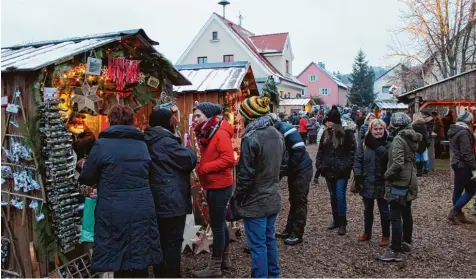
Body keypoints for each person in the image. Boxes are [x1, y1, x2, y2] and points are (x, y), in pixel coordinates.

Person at [78, 105, 161, 278]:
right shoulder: (142, 144)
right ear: (132, 121)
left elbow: (87, 177)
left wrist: (84, 165)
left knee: (117, 255)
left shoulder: (102, 145)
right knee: (140, 253)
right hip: (141, 206)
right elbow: (150, 173)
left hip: (113, 208)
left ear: (110, 120)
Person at [144, 108, 197, 278]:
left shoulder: (147, 139)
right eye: (172, 119)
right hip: (171, 200)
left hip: (154, 198)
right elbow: (188, 159)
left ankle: (160, 273)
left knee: (158, 241)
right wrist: (189, 149)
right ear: (166, 122)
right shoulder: (165, 142)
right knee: (173, 241)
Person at [236, 96, 285, 278]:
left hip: (256, 200)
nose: (239, 117)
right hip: (272, 196)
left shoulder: (250, 137)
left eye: (241, 114)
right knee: (269, 239)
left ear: (249, 115)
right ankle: (274, 275)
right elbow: (284, 163)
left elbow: (246, 175)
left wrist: (238, 197)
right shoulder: (276, 133)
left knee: (257, 245)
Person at [191, 102, 235, 278]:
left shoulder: (220, 133)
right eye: (194, 116)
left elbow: (228, 159)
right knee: (220, 224)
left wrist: (204, 168)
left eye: (198, 116)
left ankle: (215, 267)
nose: (195, 119)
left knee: (217, 227)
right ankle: (224, 259)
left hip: (220, 185)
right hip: (214, 184)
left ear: (209, 116)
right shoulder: (209, 132)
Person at [377, 112, 421, 262]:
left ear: (396, 126)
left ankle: (395, 250)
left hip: (398, 181)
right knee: (406, 212)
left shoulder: (399, 139)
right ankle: (406, 242)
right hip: (409, 179)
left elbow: (397, 163)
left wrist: (386, 175)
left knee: (395, 215)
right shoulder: (411, 137)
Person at [270, 113, 313, 245]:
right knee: (293, 200)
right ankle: (289, 230)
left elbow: (299, 150)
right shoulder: (277, 131)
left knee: (299, 200)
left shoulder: (285, 129)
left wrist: (285, 169)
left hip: (302, 169)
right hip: (295, 170)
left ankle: (297, 233)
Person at [315, 106, 356, 235]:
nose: (327, 123)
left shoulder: (346, 133)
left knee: (340, 195)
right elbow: (321, 150)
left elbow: (352, 151)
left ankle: (343, 223)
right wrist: (319, 164)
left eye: (329, 121)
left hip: (341, 170)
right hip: (328, 169)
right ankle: (336, 220)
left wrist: (347, 166)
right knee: (333, 196)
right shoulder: (325, 134)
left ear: (335, 121)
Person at [354, 119, 390, 247]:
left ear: (384, 129)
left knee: (384, 211)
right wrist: (358, 176)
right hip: (367, 180)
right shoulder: (363, 143)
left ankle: (386, 235)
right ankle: (367, 232)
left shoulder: (389, 142)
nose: (378, 131)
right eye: (376, 129)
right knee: (367, 210)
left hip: (383, 181)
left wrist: (377, 146)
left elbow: (389, 158)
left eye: (381, 129)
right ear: (371, 130)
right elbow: (358, 160)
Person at [447, 111, 476, 225]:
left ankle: (458, 213)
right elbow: (466, 153)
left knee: (458, 189)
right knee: (471, 190)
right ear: (468, 121)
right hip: (463, 164)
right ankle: (454, 212)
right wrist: (474, 167)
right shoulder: (463, 133)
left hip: (456, 163)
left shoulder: (454, 130)